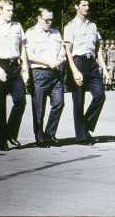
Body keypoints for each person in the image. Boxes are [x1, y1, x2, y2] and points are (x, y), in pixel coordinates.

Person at [0, 0, 29, 151]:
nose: (11, 13)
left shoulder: (17, 26)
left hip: (15, 66)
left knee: (20, 101)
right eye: (8, 10)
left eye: (12, 10)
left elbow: (22, 48)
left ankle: (11, 133)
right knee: (0, 105)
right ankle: (2, 141)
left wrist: (25, 68)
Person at [64, 0, 109, 146]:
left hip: (92, 63)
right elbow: (68, 51)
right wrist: (74, 70)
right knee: (78, 101)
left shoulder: (93, 26)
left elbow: (98, 49)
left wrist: (104, 67)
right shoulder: (70, 26)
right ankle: (82, 137)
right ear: (76, 7)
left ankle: (85, 125)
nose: (86, 8)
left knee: (100, 96)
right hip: (78, 62)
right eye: (83, 5)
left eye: (88, 5)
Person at [25, 8, 66, 148]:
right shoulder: (31, 33)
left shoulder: (55, 32)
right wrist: (49, 62)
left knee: (59, 103)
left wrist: (61, 56)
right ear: (39, 18)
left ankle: (50, 133)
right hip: (39, 73)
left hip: (55, 74)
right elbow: (30, 55)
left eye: (51, 20)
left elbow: (62, 48)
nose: (49, 23)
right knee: (39, 109)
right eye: (46, 20)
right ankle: (40, 137)